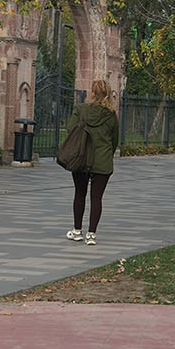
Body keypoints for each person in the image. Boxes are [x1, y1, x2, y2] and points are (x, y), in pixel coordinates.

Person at [65, 78, 119, 246]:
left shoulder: (81, 110)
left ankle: (77, 231)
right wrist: (107, 153)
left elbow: (70, 130)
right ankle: (92, 234)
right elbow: (114, 139)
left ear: (93, 93)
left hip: (81, 158)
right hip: (102, 161)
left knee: (79, 193)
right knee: (97, 198)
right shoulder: (111, 115)